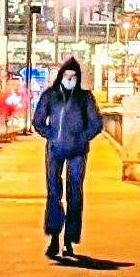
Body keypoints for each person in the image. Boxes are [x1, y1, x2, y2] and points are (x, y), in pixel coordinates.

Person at [30, 56, 101, 258]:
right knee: (54, 193)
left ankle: (69, 239)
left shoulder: (85, 98)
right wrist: (51, 135)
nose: (69, 79)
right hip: (54, 150)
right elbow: (38, 121)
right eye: (67, 75)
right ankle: (54, 237)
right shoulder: (50, 96)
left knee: (74, 194)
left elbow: (96, 123)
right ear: (61, 76)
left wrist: (81, 138)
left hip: (77, 151)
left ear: (78, 78)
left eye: (73, 76)